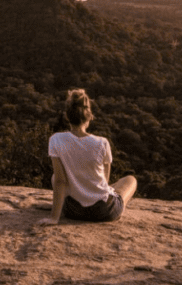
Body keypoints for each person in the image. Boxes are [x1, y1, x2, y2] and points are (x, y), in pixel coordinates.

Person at [37, 88, 137, 225]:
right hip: (104, 211)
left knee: (55, 177)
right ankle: (120, 205)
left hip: (74, 210)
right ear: (89, 116)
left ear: (67, 116)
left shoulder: (56, 140)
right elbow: (105, 181)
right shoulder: (102, 143)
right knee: (130, 180)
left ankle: (59, 203)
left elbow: (60, 181)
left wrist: (54, 218)